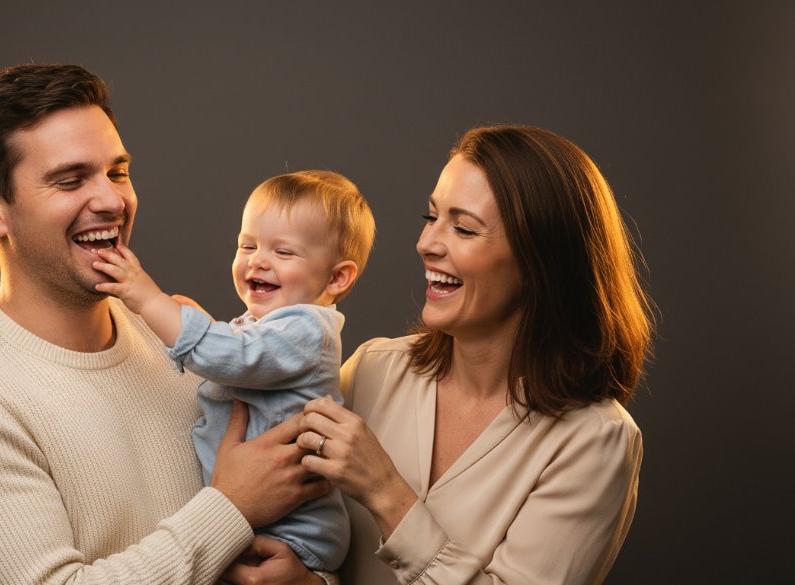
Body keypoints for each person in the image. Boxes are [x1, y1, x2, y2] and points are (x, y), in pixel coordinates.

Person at [0, 64, 333, 585]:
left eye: (117, 172)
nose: (111, 201)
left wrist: (310, 581)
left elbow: (291, 531)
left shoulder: (174, 337)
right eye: (70, 180)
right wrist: (231, 507)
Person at [241, 124, 651, 584]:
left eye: (463, 228)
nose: (427, 244)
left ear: (541, 262)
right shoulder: (374, 369)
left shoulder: (595, 441)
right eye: (430, 217)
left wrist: (385, 491)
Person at [90, 170, 376, 572]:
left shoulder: (310, 330)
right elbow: (242, 358)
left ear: (337, 277)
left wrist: (149, 299)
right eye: (248, 245)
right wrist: (207, 328)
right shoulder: (265, 326)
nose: (258, 260)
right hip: (250, 517)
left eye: (284, 252)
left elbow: (236, 358)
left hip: (295, 532)